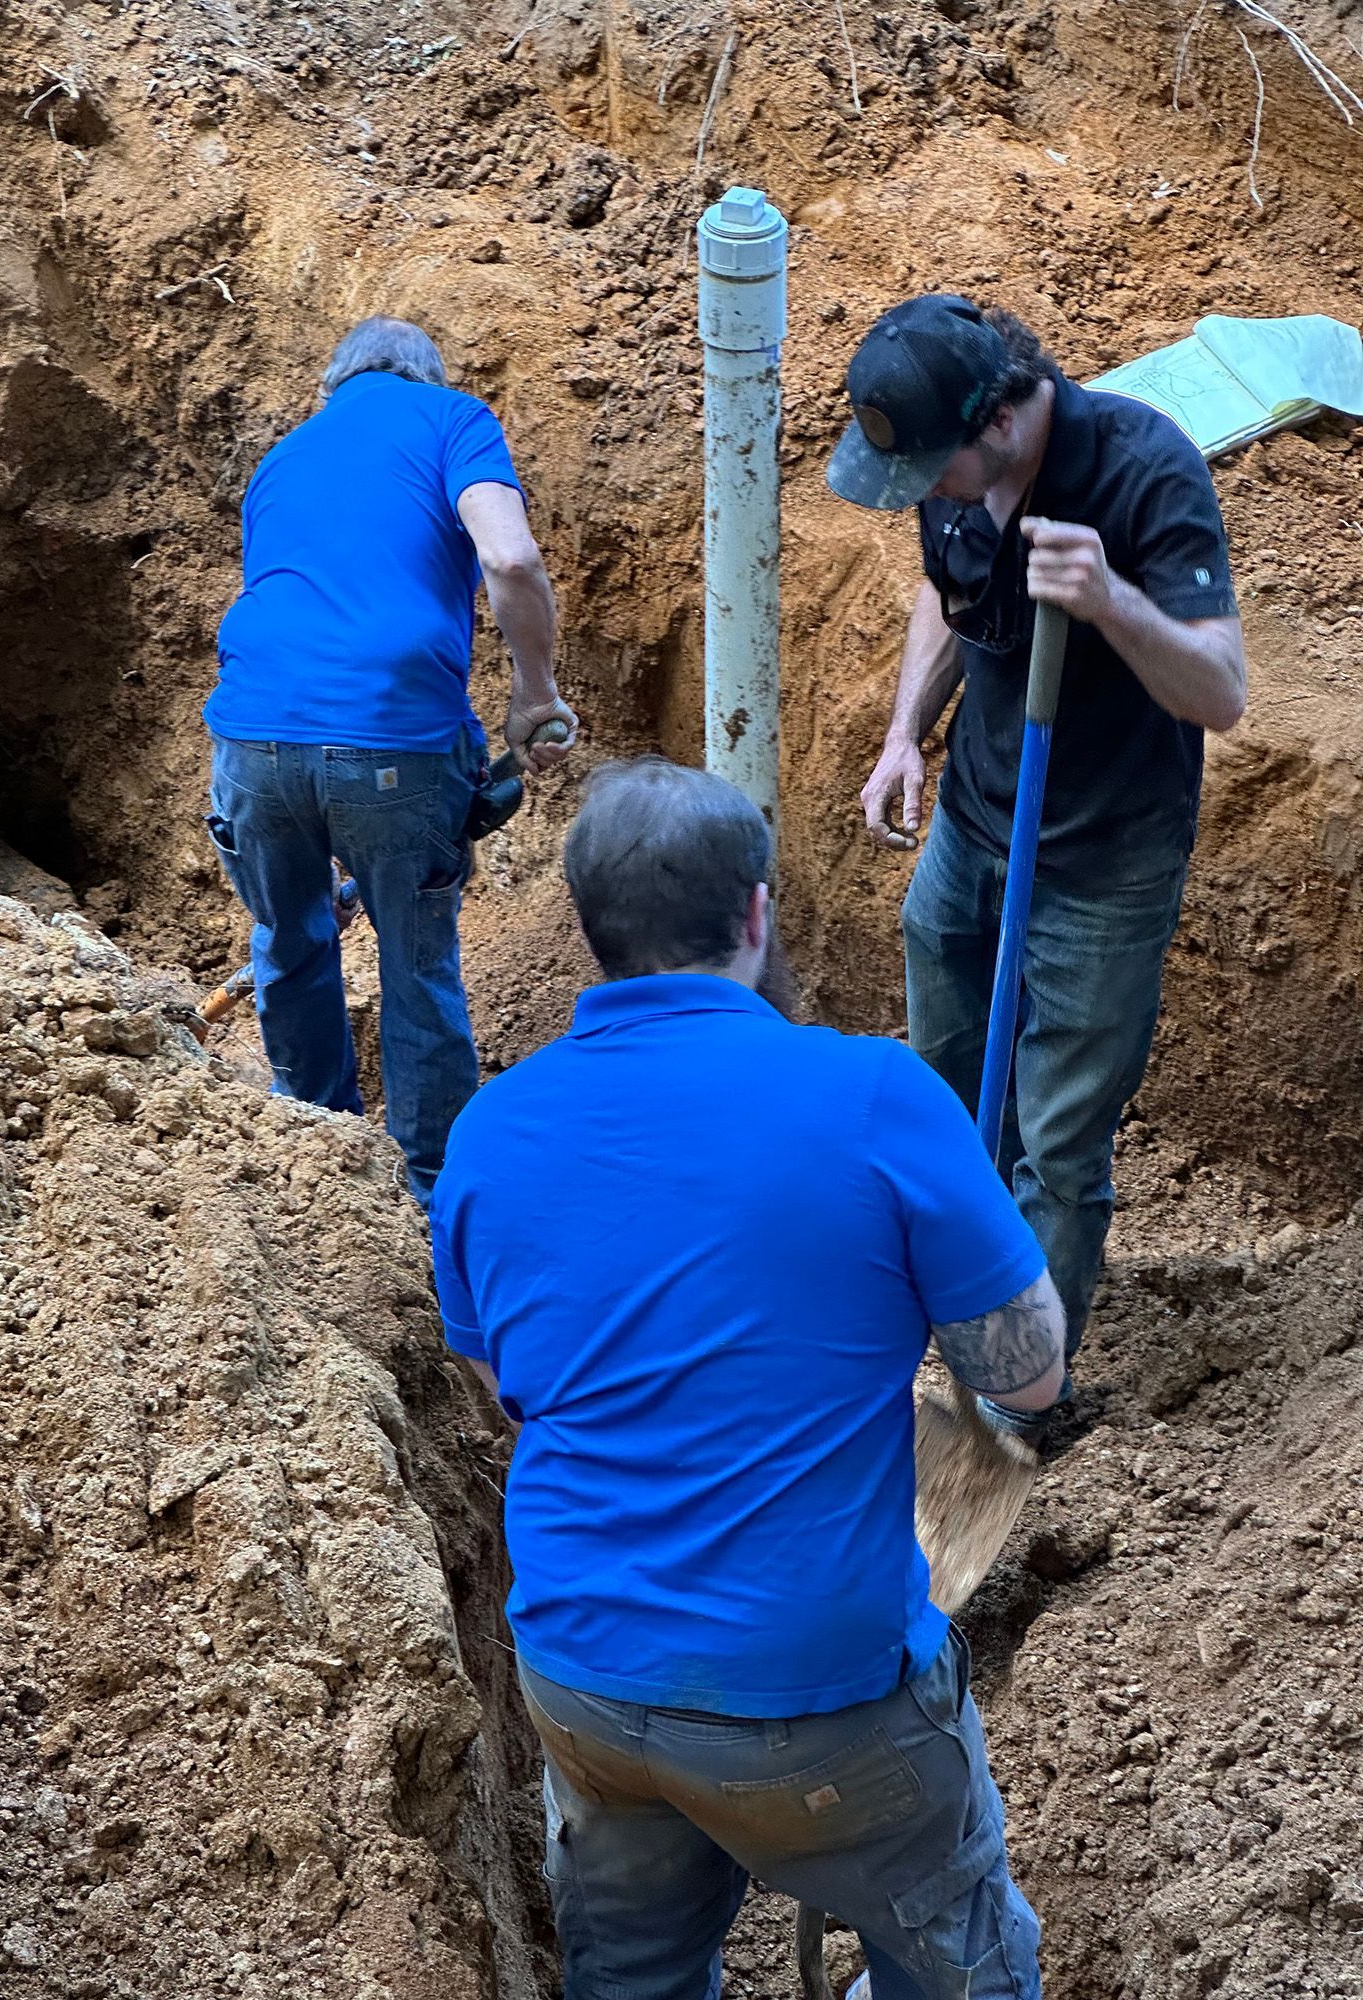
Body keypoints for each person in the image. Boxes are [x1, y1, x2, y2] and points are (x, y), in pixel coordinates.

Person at [432, 757, 1066, 2000]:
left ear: (592, 928)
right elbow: (1029, 1375)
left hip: (584, 1682)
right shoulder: (875, 1094)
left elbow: (509, 1376)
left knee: (634, 1979)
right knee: (962, 1965)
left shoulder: (489, 1130)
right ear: (759, 912)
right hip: (825, 1702)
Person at [830, 295, 1246, 1439]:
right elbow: (946, 590)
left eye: (931, 467)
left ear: (1002, 424)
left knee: (1056, 1145)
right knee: (951, 1088)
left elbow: (1222, 690)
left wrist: (1111, 601)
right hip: (976, 826)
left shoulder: (1145, 471)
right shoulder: (954, 489)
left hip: (1102, 866)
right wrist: (905, 730)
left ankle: (1018, 1400)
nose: (920, 493)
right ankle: (959, 1293)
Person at [203, 315, 577, 1204]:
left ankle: (317, 1160)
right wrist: (534, 691)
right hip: (394, 746)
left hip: (252, 743)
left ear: (333, 388)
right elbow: (511, 556)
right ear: (425, 376)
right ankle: (432, 1197)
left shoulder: (283, 456)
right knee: (416, 969)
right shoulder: (452, 418)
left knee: (291, 941)